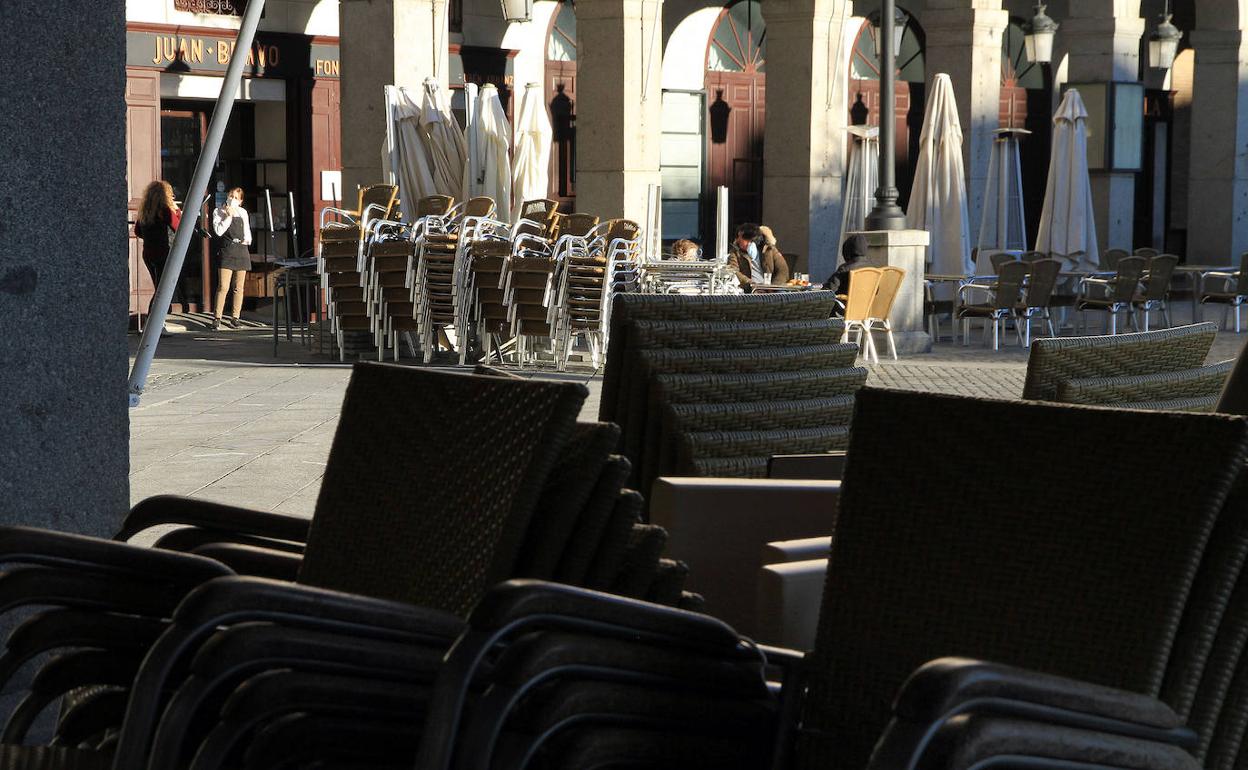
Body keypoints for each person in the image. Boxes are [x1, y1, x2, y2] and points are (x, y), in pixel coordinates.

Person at [133, 180, 186, 310]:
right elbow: (178, 227)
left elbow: (137, 231)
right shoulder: (164, 210)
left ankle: (156, 321)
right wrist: (178, 211)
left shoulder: (145, 212)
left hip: (148, 254)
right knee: (162, 291)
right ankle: (154, 321)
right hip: (163, 253)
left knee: (159, 288)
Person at [211, 187, 252, 331]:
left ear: (240, 201)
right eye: (231, 196)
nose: (232, 199)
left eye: (236, 197)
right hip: (227, 251)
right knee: (223, 286)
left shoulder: (243, 213)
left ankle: (235, 318)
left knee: (238, 287)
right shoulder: (218, 211)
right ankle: (217, 317)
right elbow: (219, 231)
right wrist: (228, 216)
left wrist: (246, 241)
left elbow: (247, 231)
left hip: (241, 251)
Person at [727, 223, 789, 290]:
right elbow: (733, 271)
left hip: (771, 289)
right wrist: (753, 286)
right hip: (750, 291)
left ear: (751, 239)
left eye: (741, 237)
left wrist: (773, 288)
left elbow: (783, 270)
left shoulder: (769, 250)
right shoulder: (735, 253)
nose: (738, 240)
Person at [824, 233, 869, 306]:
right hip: (866, 311)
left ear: (847, 252)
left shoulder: (845, 269)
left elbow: (828, 291)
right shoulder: (873, 269)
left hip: (844, 311)